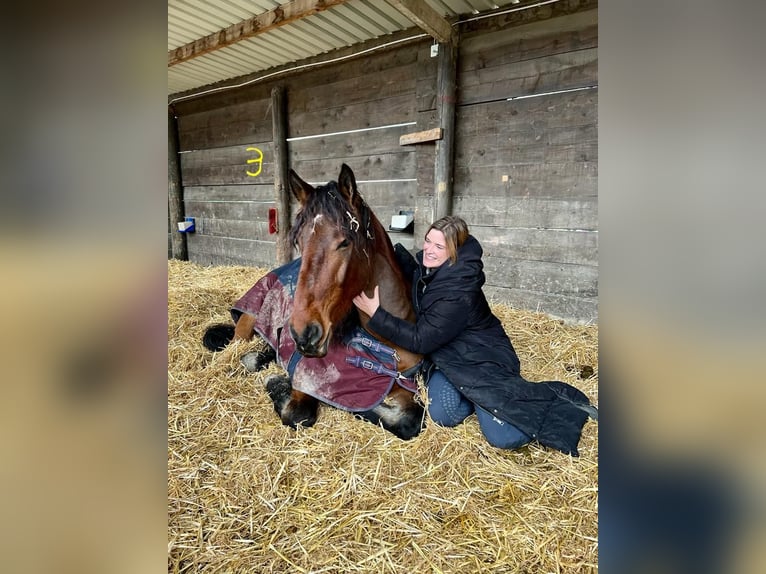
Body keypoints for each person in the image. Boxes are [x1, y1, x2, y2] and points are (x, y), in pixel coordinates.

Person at [353, 216, 596, 456]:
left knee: (504, 437)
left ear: (454, 251)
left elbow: (421, 340)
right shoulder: (433, 270)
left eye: (439, 246)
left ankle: (548, 395)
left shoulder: (457, 291)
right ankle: (476, 397)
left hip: (481, 359)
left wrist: (376, 314)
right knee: (442, 416)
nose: (428, 249)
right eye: (428, 241)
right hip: (450, 359)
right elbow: (415, 277)